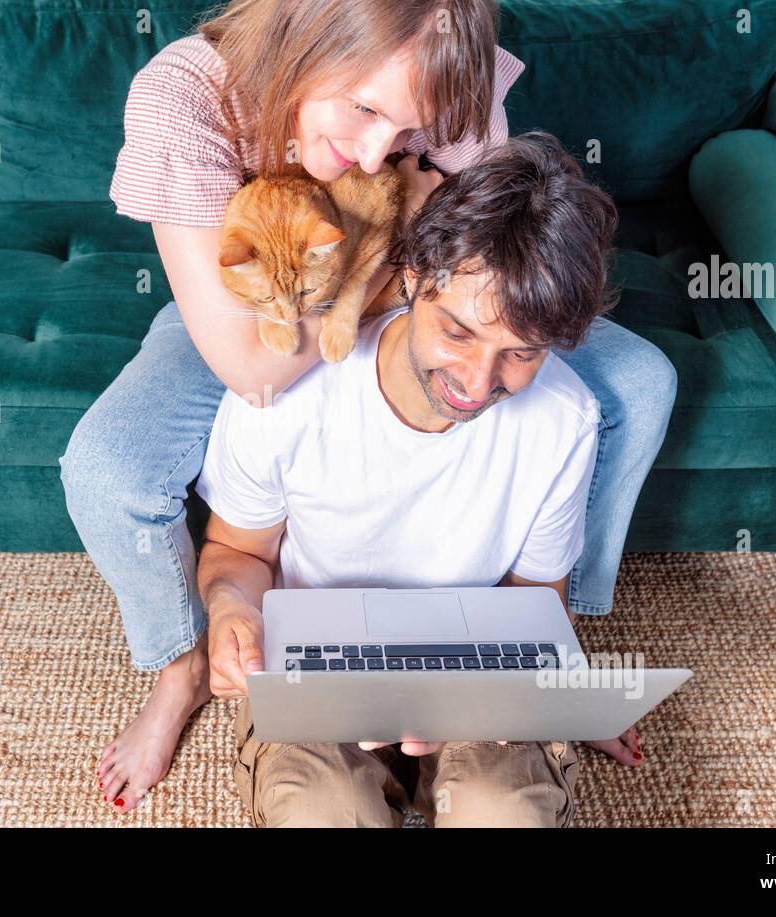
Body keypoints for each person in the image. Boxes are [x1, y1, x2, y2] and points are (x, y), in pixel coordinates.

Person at [59, 0, 674, 814]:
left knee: (639, 382)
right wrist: (392, 256)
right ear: (306, 39)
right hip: (259, 314)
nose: (383, 148)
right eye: (365, 109)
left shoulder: (450, 65)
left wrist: (425, 286)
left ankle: (557, 656)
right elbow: (251, 365)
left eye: (409, 129)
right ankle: (186, 665)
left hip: (423, 300)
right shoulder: (186, 95)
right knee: (108, 467)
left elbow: (471, 251)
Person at [198, 132, 612, 827]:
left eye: (522, 352)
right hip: (318, 676)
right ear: (414, 274)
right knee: (322, 811)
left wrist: (492, 698)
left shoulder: (566, 419)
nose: (479, 384)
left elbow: (538, 595)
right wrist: (231, 611)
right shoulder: (287, 392)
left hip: (474, 665)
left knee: (502, 811)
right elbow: (237, 552)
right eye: (459, 331)